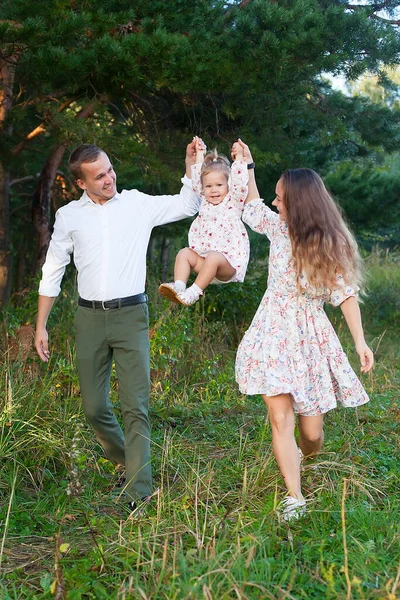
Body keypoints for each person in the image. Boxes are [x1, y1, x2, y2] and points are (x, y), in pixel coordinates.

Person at [34, 140, 202, 510]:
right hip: (89, 317)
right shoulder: (69, 217)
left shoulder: (137, 204)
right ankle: (130, 461)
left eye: (110, 170)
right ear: (81, 183)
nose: (109, 179)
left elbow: (188, 204)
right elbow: (53, 272)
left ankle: (139, 490)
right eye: (99, 176)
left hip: (131, 316)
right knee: (94, 408)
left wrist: (192, 164)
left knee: (135, 405)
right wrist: (40, 325)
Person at [234, 140, 374, 521]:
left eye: (281, 199)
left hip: (310, 336)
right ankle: (294, 496)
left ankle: (305, 461)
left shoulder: (329, 244)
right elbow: (250, 206)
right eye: (276, 198)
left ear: (300, 203)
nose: (276, 204)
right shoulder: (277, 230)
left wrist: (360, 342)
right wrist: (247, 163)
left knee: (311, 434)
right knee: (280, 418)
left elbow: (345, 294)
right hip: (272, 330)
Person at [158, 137, 250, 306]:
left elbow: (240, 184)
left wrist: (238, 159)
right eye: (208, 186)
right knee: (184, 253)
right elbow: (196, 178)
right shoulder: (204, 201)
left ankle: (193, 293)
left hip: (226, 266)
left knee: (214, 257)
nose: (213, 190)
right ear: (203, 188)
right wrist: (200, 153)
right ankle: (179, 287)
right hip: (204, 264)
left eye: (219, 185)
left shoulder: (233, 202)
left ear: (228, 186)